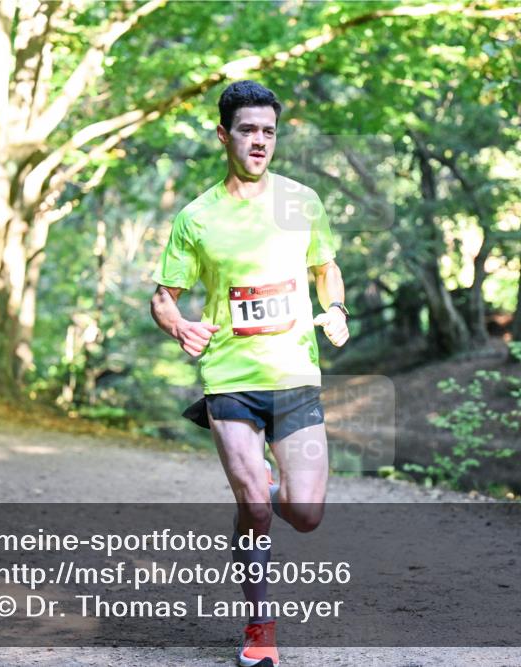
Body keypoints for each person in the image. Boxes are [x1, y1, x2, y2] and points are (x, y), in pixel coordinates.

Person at [150, 80, 349, 667]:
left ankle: (250, 501)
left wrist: (335, 307)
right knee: (259, 510)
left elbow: (326, 269)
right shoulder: (198, 217)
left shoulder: (299, 201)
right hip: (229, 377)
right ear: (223, 135)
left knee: (305, 514)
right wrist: (180, 325)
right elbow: (164, 297)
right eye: (247, 130)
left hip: (294, 376)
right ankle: (261, 634)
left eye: (268, 131)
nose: (259, 141)